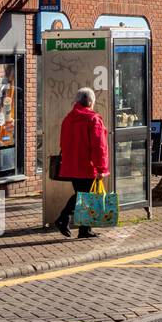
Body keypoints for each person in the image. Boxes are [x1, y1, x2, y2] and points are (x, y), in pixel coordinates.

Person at [54, 88, 110, 239]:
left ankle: (84, 229)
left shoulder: (68, 118)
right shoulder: (93, 119)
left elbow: (62, 142)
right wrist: (102, 168)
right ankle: (63, 218)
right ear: (91, 102)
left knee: (83, 196)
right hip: (87, 165)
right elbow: (99, 146)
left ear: (77, 101)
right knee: (84, 196)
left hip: (71, 164)